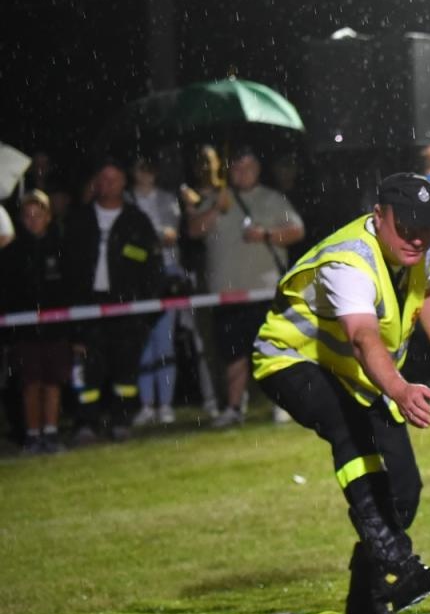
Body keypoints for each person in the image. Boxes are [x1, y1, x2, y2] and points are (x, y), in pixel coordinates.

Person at [253, 173, 430, 614]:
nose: (415, 237)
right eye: (404, 225)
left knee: (404, 493)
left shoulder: (425, 243)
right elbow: (362, 336)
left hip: (362, 376)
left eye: (425, 225)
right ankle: (397, 563)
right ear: (378, 217)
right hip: (290, 359)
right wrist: (399, 388)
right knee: (346, 428)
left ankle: (365, 601)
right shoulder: (349, 263)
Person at [185, 146, 305, 427]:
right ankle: (234, 407)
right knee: (232, 355)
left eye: (248, 167)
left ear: (258, 170)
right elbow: (193, 231)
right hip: (226, 294)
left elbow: (297, 230)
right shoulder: (215, 198)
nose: (243, 172)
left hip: (264, 290)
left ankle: (282, 404)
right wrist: (216, 207)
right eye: (237, 167)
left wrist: (265, 234)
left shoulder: (272, 199)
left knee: (273, 350)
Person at [61, 160, 163, 442]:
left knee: (125, 368)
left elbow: (151, 266)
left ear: (124, 183)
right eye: (103, 179)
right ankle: (85, 422)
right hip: (88, 306)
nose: (108, 185)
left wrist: (143, 307)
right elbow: (67, 268)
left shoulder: (136, 221)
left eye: (114, 179)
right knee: (87, 368)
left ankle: (121, 419)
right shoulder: (79, 220)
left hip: (126, 307)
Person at [1, 190, 71, 454]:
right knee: (31, 383)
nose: (33, 221)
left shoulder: (61, 248)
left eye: (38, 215)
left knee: (53, 382)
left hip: (56, 328)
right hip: (25, 331)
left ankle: (51, 433)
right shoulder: (11, 254)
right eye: (28, 216)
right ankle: (32, 435)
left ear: (48, 216)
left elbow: (68, 289)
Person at [129, 156, 183, 426]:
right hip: (139, 280)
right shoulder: (127, 201)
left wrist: (154, 239)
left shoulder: (167, 198)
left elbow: (172, 233)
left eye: (150, 167)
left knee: (165, 341)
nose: (146, 173)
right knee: (143, 343)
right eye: (142, 167)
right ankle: (146, 404)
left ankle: (165, 405)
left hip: (167, 276)